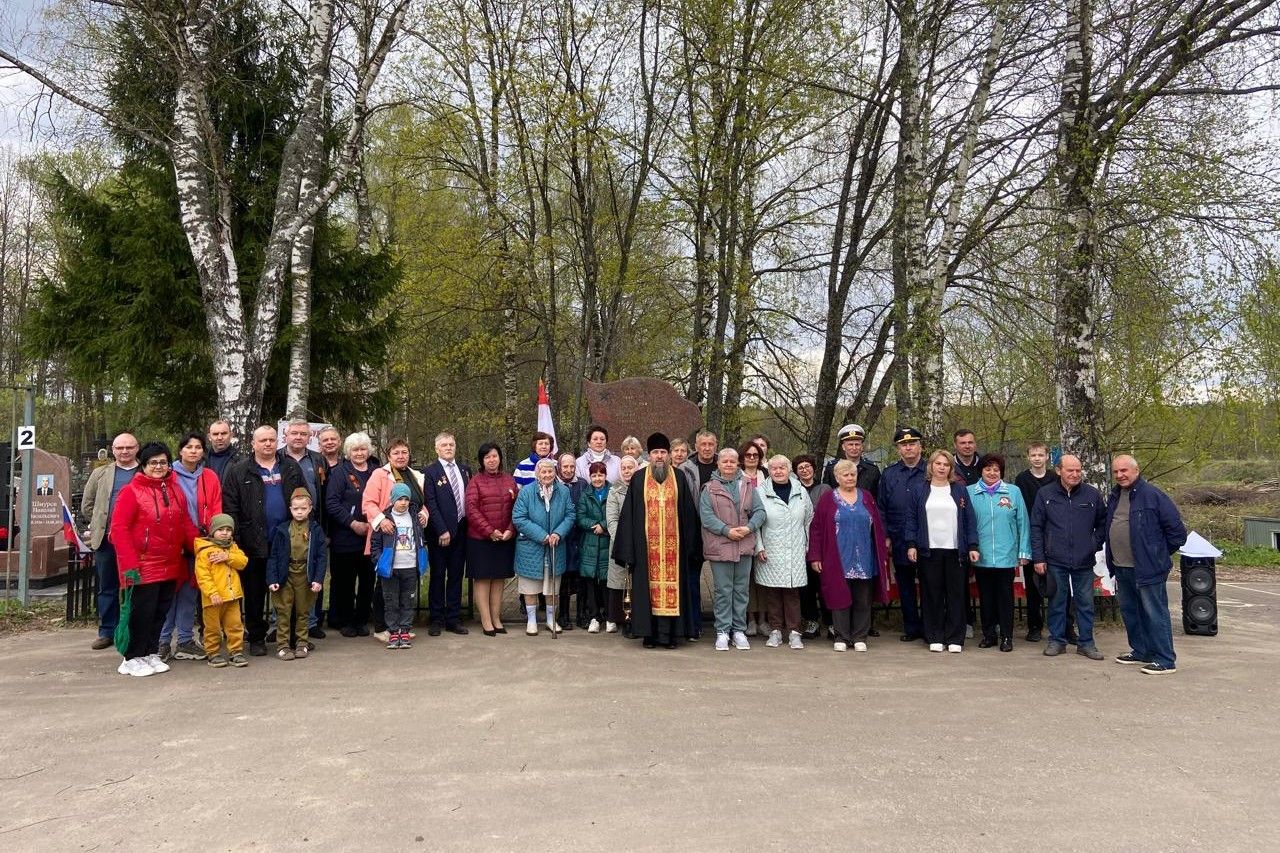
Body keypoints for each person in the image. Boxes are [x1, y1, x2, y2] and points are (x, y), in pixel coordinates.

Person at [109, 441, 199, 677]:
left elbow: (185, 523)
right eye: (153, 463)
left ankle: (150, 652)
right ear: (143, 465)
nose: (159, 467)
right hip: (142, 565)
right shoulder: (132, 491)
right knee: (141, 613)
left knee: (160, 611)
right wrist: (129, 564)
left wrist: (199, 547)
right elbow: (119, 529)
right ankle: (131, 657)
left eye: (163, 462)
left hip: (170, 563)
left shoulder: (174, 489)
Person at [221, 425, 306, 657]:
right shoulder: (239, 471)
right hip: (252, 542)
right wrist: (236, 538)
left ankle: (288, 637)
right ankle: (256, 637)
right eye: (263, 440)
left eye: (271, 440)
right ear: (253, 443)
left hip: (286, 541)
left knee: (288, 592)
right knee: (255, 593)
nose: (268, 444)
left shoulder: (290, 467)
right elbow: (231, 508)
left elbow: (303, 497)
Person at [614, 433, 702, 648]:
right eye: (655, 453)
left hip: (675, 551)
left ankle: (672, 635)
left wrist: (692, 547)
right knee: (647, 592)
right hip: (647, 551)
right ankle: (649, 635)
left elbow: (689, 515)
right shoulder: (638, 479)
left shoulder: (679, 478)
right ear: (649, 455)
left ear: (669, 455)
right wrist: (628, 551)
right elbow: (628, 516)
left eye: (663, 452)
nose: (660, 456)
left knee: (674, 591)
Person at [1106, 455, 1188, 675]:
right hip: (1121, 566)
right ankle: (1141, 650)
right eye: (1116, 472)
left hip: (1147, 568)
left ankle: (1165, 659)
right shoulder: (1115, 496)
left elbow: (1177, 533)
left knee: (1154, 612)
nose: (1120, 475)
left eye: (1124, 470)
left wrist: (1156, 554)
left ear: (1136, 470)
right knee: (1131, 611)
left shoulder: (1153, 496)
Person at [1029, 454, 1107, 660]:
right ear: (1058, 470)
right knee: (1057, 602)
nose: (1074, 474)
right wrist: (1038, 557)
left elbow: (1103, 524)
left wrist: (1092, 544)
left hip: (1084, 560)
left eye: (1078, 470)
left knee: (1085, 603)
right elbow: (1036, 527)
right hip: (1055, 559)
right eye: (1070, 470)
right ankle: (1057, 641)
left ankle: (1087, 643)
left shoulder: (1092, 495)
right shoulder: (1045, 494)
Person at [806, 459, 890, 652]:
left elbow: (876, 525)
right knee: (839, 596)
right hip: (837, 556)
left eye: (853, 474)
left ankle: (860, 636)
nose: (850, 478)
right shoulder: (828, 498)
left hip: (865, 556)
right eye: (845, 475)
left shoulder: (867, 496)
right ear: (837, 477)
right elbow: (816, 528)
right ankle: (841, 636)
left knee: (863, 598)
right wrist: (816, 556)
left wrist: (882, 551)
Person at [906, 450, 979, 653]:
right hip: (929, 551)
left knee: (956, 594)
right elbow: (911, 519)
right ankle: (934, 635)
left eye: (945, 464)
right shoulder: (920, 489)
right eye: (938, 464)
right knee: (932, 594)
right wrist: (911, 543)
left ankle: (955, 637)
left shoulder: (959, 490)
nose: (941, 467)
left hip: (955, 550)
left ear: (950, 468)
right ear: (931, 466)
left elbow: (969, 519)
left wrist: (972, 545)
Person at [160, 431, 223, 662]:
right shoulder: (168, 475)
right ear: (180, 450)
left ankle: (185, 639)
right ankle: (163, 640)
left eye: (198, 447)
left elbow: (216, 506)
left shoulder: (210, 476)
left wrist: (215, 538)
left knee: (190, 591)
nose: (193, 451)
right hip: (173, 542)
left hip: (201, 541)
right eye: (189, 447)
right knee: (169, 592)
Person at [362, 438, 430, 643]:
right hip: (387, 537)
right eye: (396, 453)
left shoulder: (415, 475)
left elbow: (420, 503)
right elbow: (368, 502)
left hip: (408, 538)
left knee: (404, 590)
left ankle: (402, 626)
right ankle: (382, 627)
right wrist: (382, 520)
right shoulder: (379, 475)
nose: (401, 456)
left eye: (404, 452)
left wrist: (425, 514)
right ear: (389, 456)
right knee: (384, 586)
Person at [699, 447, 765, 651]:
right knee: (723, 591)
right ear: (718, 464)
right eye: (724, 461)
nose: (728, 464)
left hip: (744, 544)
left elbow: (760, 512)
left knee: (741, 591)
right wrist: (726, 531)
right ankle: (722, 631)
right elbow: (706, 516)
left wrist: (748, 528)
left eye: (732, 461)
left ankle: (739, 630)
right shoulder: (709, 488)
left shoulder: (747, 486)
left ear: (738, 463)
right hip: (721, 546)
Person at [81, 432, 139, 650]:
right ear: (113, 450)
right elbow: (88, 505)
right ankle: (107, 631)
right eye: (120, 447)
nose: (124, 451)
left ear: (137, 448)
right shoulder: (100, 473)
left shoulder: (144, 471)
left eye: (129, 447)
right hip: (106, 541)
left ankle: (133, 629)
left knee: (135, 586)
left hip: (135, 542)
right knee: (107, 586)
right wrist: (101, 523)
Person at [968, 454, 1030, 652]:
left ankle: (1006, 637)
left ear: (1001, 472)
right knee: (985, 598)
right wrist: (971, 547)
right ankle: (989, 635)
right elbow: (967, 524)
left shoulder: (1013, 492)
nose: (992, 473)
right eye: (988, 469)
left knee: (1005, 598)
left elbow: (1022, 522)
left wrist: (1023, 551)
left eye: (996, 469)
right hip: (982, 555)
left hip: (1006, 555)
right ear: (981, 471)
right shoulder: (970, 492)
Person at [755, 455, 813, 649]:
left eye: (782, 467)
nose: (778, 471)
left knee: (792, 592)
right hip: (770, 549)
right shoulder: (761, 492)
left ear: (789, 470)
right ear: (769, 471)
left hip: (795, 548)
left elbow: (809, 520)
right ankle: (776, 631)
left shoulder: (801, 491)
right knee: (772, 592)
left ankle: (795, 632)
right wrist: (759, 546)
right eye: (774, 468)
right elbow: (755, 523)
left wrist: (807, 545)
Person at [512, 458, 575, 635]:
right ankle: (531, 621)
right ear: (537, 474)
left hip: (555, 546)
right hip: (531, 547)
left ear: (555, 472)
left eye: (550, 471)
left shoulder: (563, 491)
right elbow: (519, 518)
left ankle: (550, 619)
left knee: (552, 587)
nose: (547, 475)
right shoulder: (526, 492)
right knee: (530, 587)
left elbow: (570, 514)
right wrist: (541, 535)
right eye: (543, 472)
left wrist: (558, 533)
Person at [877, 427, 927, 642]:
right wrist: (886, 534)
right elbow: (881, 507)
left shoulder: (930, 471)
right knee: (905, 585)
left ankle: (929, 627)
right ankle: (911, 627)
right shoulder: (889, 474)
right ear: (898, 449)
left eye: (912, 443)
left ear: (920, 446)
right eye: (903, 445)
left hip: (926, 536)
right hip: (899, 537)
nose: (908, 447)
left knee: (929, 584)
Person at [280, 419, 329, 637]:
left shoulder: (318, 459)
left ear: (310, 437)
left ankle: (311, 623)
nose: (298, 437)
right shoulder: (278, 457)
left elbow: (324, 492)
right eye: (294, 433)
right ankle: (279, 624)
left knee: (312, 571)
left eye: (303, 433)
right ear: (286, 435)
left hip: (312, 524)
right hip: (285, 524)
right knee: (285, 574)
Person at [325, 432, 376, 637]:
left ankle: (362, 619)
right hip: (346, 537)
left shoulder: (376, 471)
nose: (359, 453)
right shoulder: (340, 473)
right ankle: (344, 620)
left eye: (363, 449)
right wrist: (352, 522)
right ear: (348, 452)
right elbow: (332, 503)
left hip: (371, 536)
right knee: (344, 582)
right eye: (355, 449)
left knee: (367, 580)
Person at [266, 488, 327, 660]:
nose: (299, 512)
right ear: (290, 509)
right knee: (283, 612)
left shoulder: (316, 530)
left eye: (303, 508)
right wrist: (272, 578)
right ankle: (283, 646)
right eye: (295, 508)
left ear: (310, 508)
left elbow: (322, 557)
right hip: (286, 576)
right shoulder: (282, 530)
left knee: (303, 611)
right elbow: (273, 556)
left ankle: (302, 643)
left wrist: (318, 579)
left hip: (305, 576)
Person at [465, 442, 517, 636]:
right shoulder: (475, 482)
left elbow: (517, 508)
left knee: (498, 579)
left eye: (494, 456)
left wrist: (511, 529)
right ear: (482, 461)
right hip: (481, 540)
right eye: (487, 457)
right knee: (483, 579)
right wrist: (489, 531)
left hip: (504, 538)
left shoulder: (509, 480)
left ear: (500, 458)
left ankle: (496, 618)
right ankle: (486, 620)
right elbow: (471, 509)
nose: (492, 460)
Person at [423, 432, 471, 635]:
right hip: (439, 533)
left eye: (451, 444)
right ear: (436, 449)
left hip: (461, 530)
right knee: (437, 575)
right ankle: (436, 618)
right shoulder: (430, 472)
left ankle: (453, 617)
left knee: (456, 575)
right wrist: (441, 529)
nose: (448, 447)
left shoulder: (465, 469)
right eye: (444, 445)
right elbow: (430, 503)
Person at [372, 483, 428, 649]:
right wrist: (379, 561)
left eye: (406, 499)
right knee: (391, 601)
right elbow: (375, 543)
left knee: (407, 600)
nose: (403, 502)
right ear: (392, 500)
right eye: (399, 499)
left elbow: (421, 539)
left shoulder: (415, 518)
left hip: (410, 566)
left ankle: (405, 629)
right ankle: (393, 630)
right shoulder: (385, 519)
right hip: (390, 568)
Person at [194, 513, 249, 667]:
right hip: (213, 599)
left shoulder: (233, 548)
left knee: (235, 625)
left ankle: (236, 651)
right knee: (212, 628)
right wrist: (212, 593)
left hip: (232, 597)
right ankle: (213, 653)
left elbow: (243, 562)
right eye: (220, 529)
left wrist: (227, 556)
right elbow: (203, 576)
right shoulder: (205, 551)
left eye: (228, 529)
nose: (225, 533)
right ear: (212, 531)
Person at [1014, 441, 1056, 641]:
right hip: (1030, 536)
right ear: (1028, 457)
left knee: (1059, 584)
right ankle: (1034, 627)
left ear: (1047, 456)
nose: (1037, 458)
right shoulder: (1021, 479)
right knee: (1033, 588)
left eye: (1041, 454)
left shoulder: (1055, 478)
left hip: (1054, 537)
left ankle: (1064, 626)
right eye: (1033, 455)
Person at [793, 453, 832, 638]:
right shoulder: (794, 489)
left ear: (814, 469)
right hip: (800, 543)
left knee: (825, 584)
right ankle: (811, 621)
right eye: (800, 468)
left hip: (822, 542)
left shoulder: (824, 489)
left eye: (807, 466)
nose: (804, 470)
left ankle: (831, 622)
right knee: (806, 586)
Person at [604, 455, 640, 633]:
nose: (627, 471)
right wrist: (623, 539)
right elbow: (611, 519)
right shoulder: (614, 490)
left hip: (639, 543)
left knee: (636, 580)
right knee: (618, 580)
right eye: (624, 468)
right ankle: (614, 617)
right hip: (619, 542)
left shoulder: (642, 488)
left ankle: (634, 617)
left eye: (630, 467)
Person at [576, 462, 611, 633]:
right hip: (589, 544)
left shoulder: (612, 492)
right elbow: (580, 517)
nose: (597, 479)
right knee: (590, 582)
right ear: (590, 477)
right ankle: (594, 617)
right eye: (594, 475)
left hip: (607, 543)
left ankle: (610, 616)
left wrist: (603, 526)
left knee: (606, 582)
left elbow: (616, 514)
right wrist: (594, 525)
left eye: (601, 475)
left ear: (605, 476)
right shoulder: (585, 495)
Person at [554, 452, 586, 629]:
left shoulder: (582, 484)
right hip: (563, 538)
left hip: (580, 537)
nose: (568, 470)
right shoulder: (555, 485)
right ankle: (563, 615)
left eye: (571, 466)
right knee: (564, 580)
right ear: (559, 467)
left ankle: (581, 614)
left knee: (581, 579)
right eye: (565, 466)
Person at [738, 440, 766, 636]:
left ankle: (764, 619)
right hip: (743, 531)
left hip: (766, 530)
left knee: (763, 578)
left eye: (755, 455)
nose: (751, 458)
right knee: (746, 579)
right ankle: (750, 620)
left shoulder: (767, 475)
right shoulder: (737, 477)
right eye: (748, 455)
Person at [821, 423, 881, 494]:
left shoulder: (872, 469)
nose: (854, 448)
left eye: (857, 444)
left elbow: (877, 497)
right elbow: (827, 495)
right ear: (843, 447)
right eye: (850, 444)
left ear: (862, 447)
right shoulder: (832, 468)